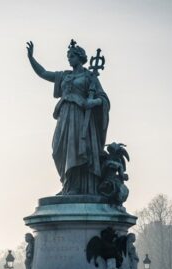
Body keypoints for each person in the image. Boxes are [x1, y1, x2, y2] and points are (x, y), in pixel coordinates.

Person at [26, 39, 110, 195]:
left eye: (71, 56)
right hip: (64, 116)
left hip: (79, 116)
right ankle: (66, 183)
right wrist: (31, 58)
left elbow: (104, 98)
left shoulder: (89, 77)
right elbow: (43, 73)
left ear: (79, 57)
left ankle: (74, 187)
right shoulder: (64, 75)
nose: (69, 59)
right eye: (68, 56)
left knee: (77, 150)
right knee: (58, 148)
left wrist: (94, 101)